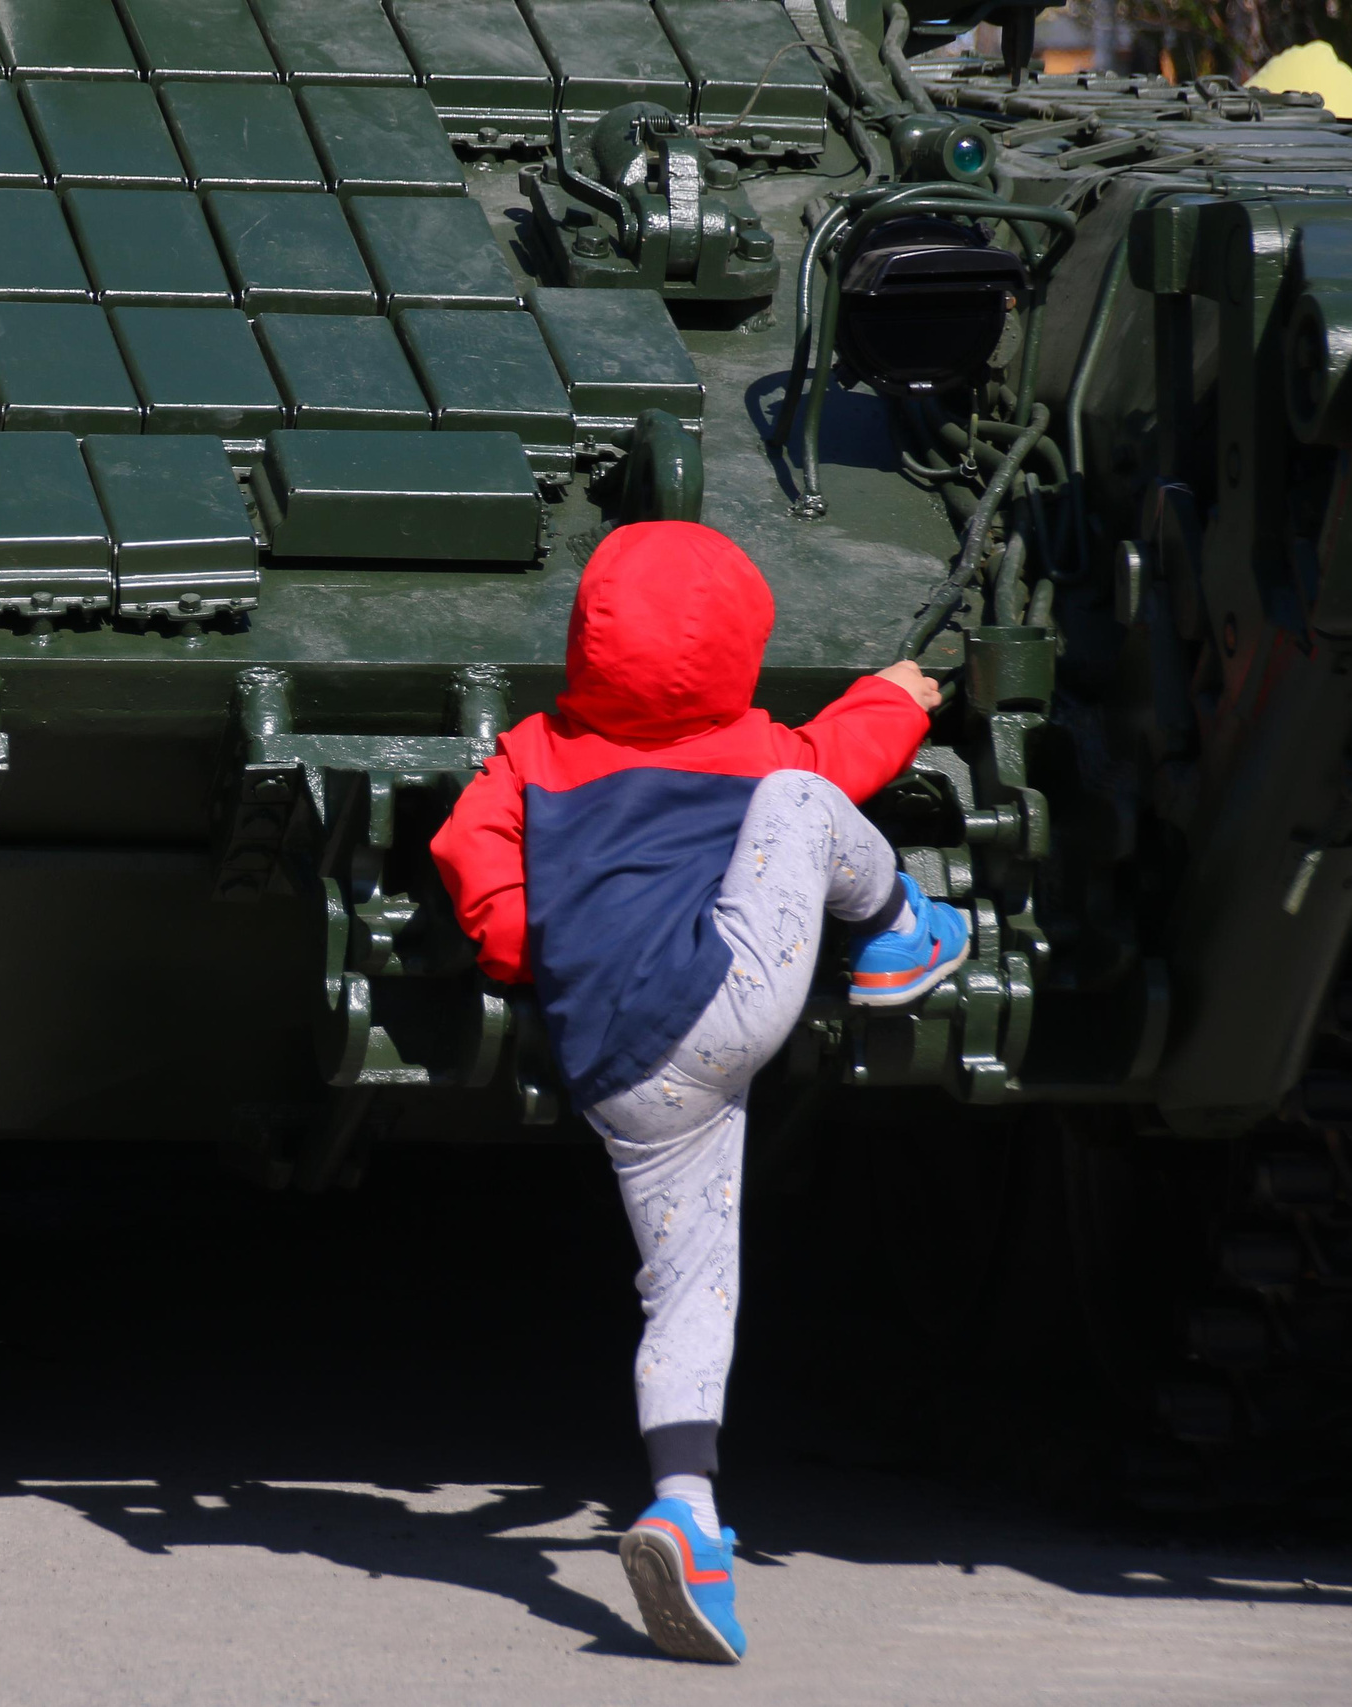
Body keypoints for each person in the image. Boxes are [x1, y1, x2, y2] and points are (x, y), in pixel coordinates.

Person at [429, 521, 964, 1664]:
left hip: (617, 1072)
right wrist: (899, 693)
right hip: (726, 1006)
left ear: (585, 639)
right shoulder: (750, 743)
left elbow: (475, 861)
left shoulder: (530, 751)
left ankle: (689, 1514)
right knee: (806, 803)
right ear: (741, 644)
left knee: (685, 1290)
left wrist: (537, 948)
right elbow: (838, 758)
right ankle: (902, 937)